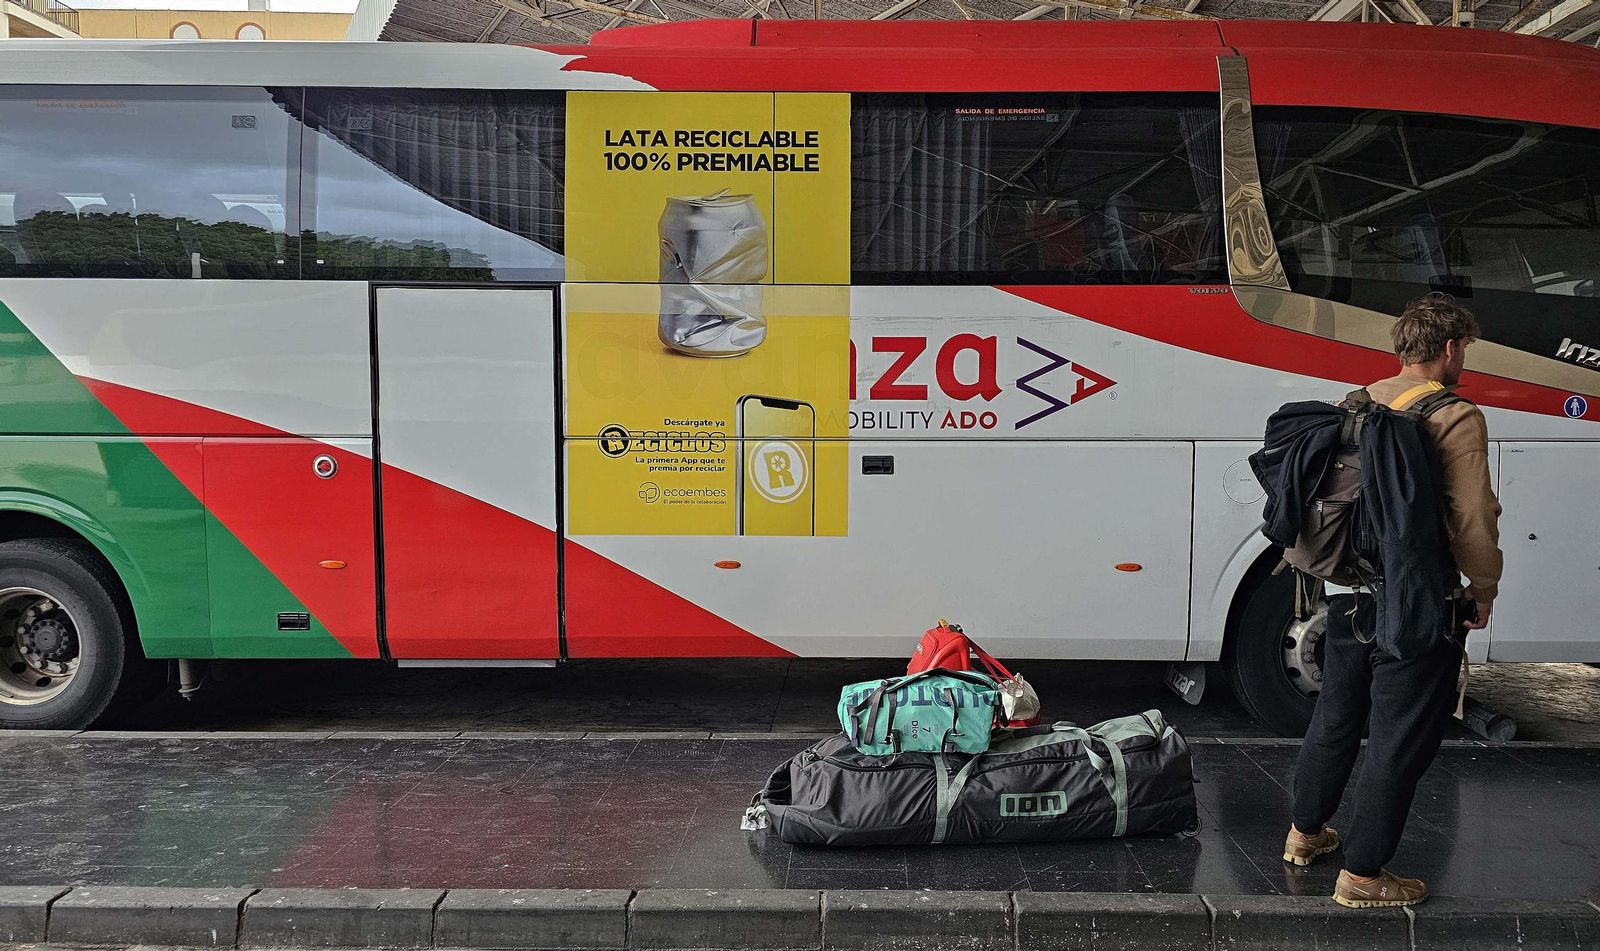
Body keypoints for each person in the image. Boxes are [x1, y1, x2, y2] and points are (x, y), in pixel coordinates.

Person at [1281, 293, 1503, 908]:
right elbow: (1472, 517)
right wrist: (1482, 589)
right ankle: (1363, 874)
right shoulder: (1454, 415)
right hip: (1413, 600)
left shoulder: (1358, 402)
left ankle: (1304, 833)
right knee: (1399, 737)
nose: (1464, 359)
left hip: (1345, 593)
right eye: (1465, 349)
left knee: (1337, 715)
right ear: (1451, 348)